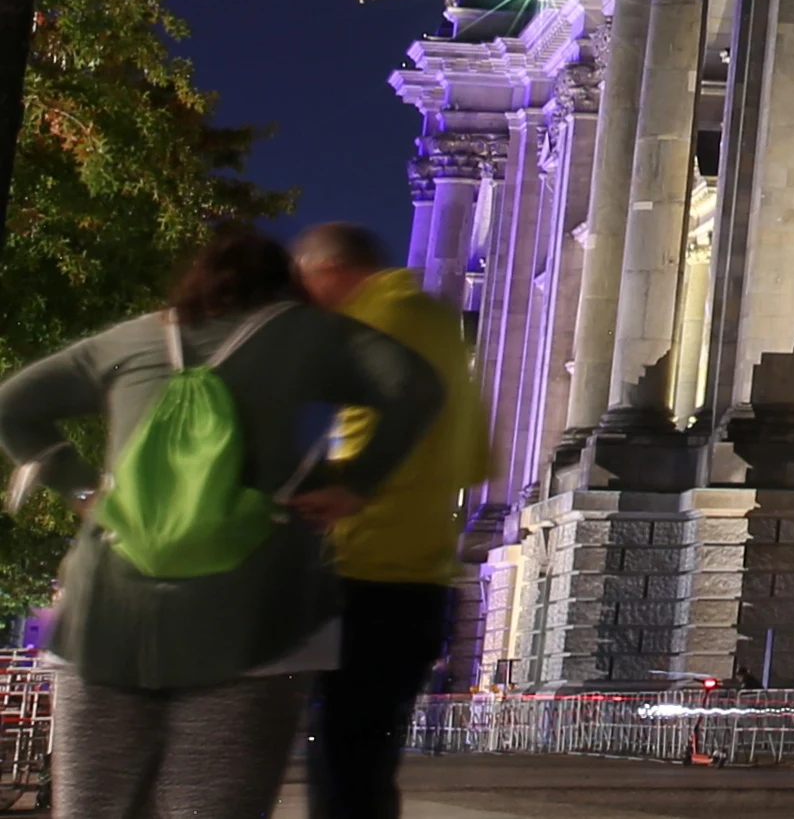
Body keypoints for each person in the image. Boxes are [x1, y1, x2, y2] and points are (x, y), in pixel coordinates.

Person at [0, 228, 442, 819]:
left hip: (103, 617)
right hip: (254, 621)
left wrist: (84, 490)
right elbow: (415, 387)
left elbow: (13, 405)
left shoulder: (131, 339)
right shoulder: (312, 336)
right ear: (285, 288)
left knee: (93, 807)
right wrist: (352, 484)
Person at [291, 224, 486, 819]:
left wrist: (321, 485)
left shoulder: (377, 321)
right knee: (366, 761)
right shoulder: (434, 317)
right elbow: (478, 454)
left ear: (329, 271)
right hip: (424, 573)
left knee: (341, 762)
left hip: (366, 567)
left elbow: (376, 438)